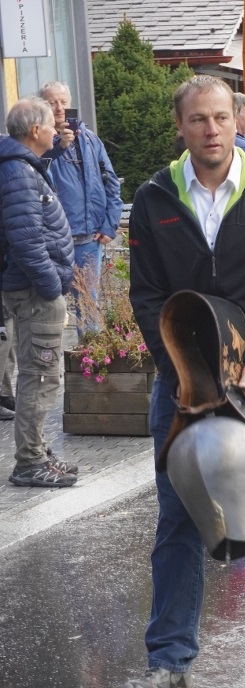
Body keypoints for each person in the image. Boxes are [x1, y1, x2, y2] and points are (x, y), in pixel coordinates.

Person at [125, 74, 245, 688]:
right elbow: (147, 295)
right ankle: (170, 663)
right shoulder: (155, 198)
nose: (211, 129)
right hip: (182, 381)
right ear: (180, 128)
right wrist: (177, 366)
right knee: (179, 515)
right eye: (198, 120)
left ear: (237, 123)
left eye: (220, 118)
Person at [0, 97, 78, 488]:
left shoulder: (21, 168)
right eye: (50, 124)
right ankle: (30, 462)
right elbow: (26, 238)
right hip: (34, 292)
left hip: (32, 290)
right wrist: (51, 285)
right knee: (41, 376)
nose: (55, 130)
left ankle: (38, 452)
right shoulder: (18, 171)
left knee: (42, 374)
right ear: (34, 130)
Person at [39, 81, 122, 334]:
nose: (59, 107)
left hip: (89, 238)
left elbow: (111, 182)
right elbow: (36, 172)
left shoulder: (90, 139)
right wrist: (58, 146)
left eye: (63, 101)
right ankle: (50, 366)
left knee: (88, 304)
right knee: (50, 305)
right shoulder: (39, 140)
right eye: (52, 102)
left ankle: (90, 364)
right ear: (43, 106)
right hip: (53, 240)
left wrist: (110, 224)